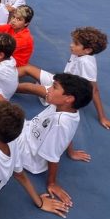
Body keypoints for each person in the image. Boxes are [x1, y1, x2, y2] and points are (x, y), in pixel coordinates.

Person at [17, 26, 110, 133]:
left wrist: (102, 117)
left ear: (88, 50)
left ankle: (7, 87)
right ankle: (5, 76)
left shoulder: (86, 63)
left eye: (76, 43)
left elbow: (94, 90)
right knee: (27, 68)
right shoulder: (77, 53)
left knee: (28, 87)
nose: (71, 45)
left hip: (63, 94)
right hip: (60, 82)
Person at [14, 73, 93, 204]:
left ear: (68, 99)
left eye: (54, 87)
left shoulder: (60, 123)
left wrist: (51, 183)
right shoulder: (66, 108)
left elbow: (53, 156)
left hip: (26, 151)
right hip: (27, 130)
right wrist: (71, 152)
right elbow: (68, 135)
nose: (48, 89)